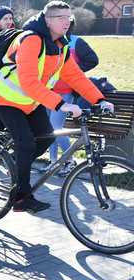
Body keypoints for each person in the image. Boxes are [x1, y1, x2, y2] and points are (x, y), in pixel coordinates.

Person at [0, 1, 114, 213]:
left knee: (46, 138)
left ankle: (15, 164)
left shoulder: (60, 46)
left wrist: (99, 99)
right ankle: (21, 198)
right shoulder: (31, 40)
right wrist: (61, 105)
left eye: (69, 17)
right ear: (47, 20)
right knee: (27, 144)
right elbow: (29, 82)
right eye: (60, 18)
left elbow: (75, 77)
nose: (67, 21)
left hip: (30, 102)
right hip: (5, 98)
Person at [44, 18, 98, 176]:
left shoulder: (76, 42)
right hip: (49, 92)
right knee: (49, 129)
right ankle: (53, 163)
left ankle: (70, 161)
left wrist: (73, 73)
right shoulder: (51, 42)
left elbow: (93, 60)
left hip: (66, 92)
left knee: (55, 129)